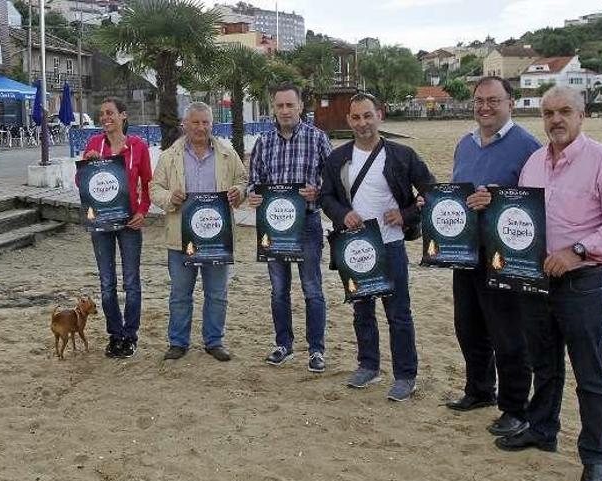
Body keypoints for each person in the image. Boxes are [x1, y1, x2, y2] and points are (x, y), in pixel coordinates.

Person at [495, 86, 602, 481]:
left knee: (589, 372)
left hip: (583, 283)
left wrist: (578, 251)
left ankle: (596, 456)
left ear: (582, 115)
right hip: (536, 280)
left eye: (564, 112)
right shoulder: (534, 164)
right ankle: (542, 430)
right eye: (547, 113)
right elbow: (521, 216)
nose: (555, 120)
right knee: (544, 364)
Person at [442, 76, 542, 438]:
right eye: (479, 100)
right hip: (466, 249)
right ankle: (479, 390)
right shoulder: (464, 144)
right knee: (468, 326)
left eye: (493, 100)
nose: (485, 107)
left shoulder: (528, 145)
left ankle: (516, 408)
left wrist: (499, 197)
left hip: (507, 254)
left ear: (510, 103)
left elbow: (537, 202)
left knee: (508, 333)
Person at [320, 92, 434, 401]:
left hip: (392, 244)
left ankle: (405, 374)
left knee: (398, 314)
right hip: (355, 246)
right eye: (356, 117)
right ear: (349, 120)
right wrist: (344, 214)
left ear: (379, 115)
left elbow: (432, 192)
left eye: (368, 115)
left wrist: (407, 214)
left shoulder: (402, 155)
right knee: (362, 311)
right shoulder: (337, 158)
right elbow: (326, 197)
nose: (362, 123)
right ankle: (368, 365)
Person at [150, 102, 247, 362]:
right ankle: (178, 342)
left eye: (205, 123)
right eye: (195, 122)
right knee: (180, 294)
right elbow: (154, 189)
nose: (201, 128)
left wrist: (239, 192)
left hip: (218, 236)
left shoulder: (228, 153)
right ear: (185, 124)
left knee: (217, 294)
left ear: (212, 124)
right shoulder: (169, 156)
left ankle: (214, 341)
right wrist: (171, 197)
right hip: (180, 237)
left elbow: (242, 180)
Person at [247, 82, 332, 372]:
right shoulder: (264, 142)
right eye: (279, 105)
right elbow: (253, 180)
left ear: (300, 107)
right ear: (274, 108)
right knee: (279, 290)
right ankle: (283, 344)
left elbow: (331, 181)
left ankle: (317, 349)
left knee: (312, 288)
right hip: (274, 227)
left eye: (289, 105)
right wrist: (253, 195)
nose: (284, 110)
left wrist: (317, 191)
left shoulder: (318, 138)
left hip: (307, 223)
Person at [80, 97, 152, 359]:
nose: (105, 117)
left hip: (129, 222)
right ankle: (115, 334)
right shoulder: (93, 144)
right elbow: (81, 183)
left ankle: (130, 335)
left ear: (123, 116)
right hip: (100, 222)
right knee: (107, 282)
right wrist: (88, 164)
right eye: (102, 114)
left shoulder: (138, 147)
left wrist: (142, 212)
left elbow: (148, 184)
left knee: (132, 282)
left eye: (110, 113)